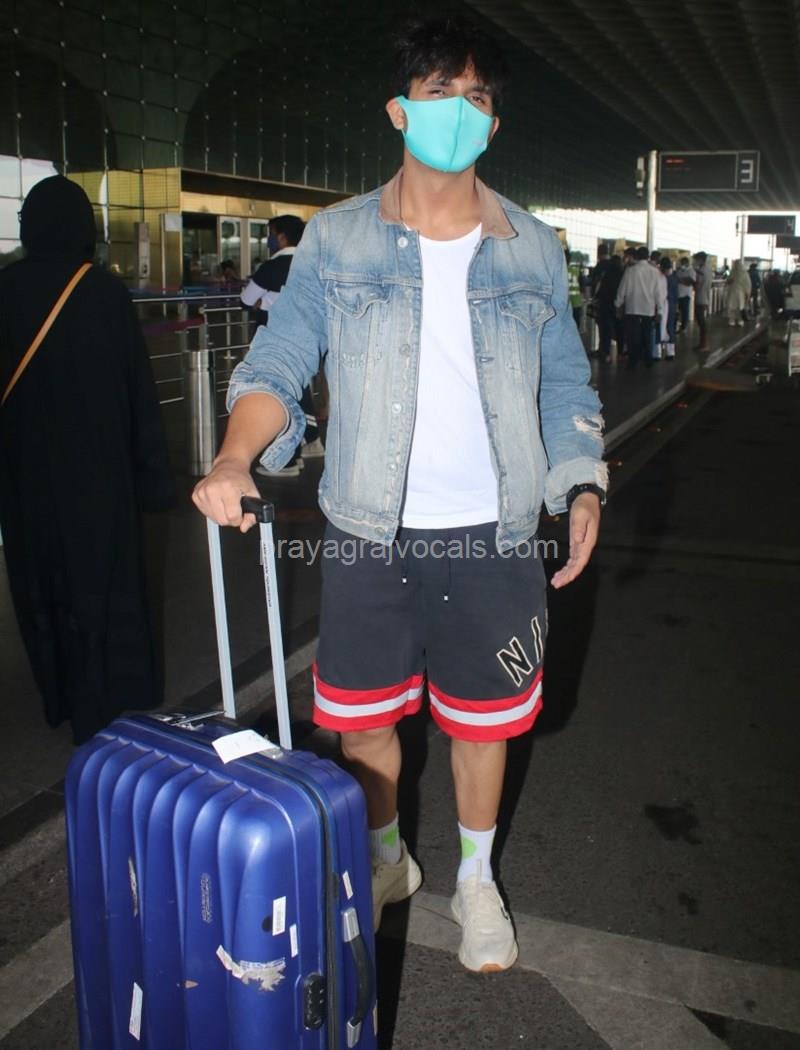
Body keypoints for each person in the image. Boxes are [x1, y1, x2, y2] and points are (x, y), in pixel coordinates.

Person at [193, 14, 606, 974]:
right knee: (364, 723)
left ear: (493, 123)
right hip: (369, 532)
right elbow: (279, 359)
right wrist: (233, 457)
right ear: (398, 111)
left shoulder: (534, 248)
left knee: (482, 723)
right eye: (438, 93)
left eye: (476, 98)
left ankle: (476, 879)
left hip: (496, 533)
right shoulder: (336, 240)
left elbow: (564, 386)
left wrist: (580, 484)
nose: (458, 112)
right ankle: (389, 858)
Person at [0, 176, 175, 744]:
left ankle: (60, 693)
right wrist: (153, 478)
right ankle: (104, 696)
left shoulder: (5, 289)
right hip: (99, 473)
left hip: (24, 476)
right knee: (102, 580)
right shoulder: (103, 293)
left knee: (40, 579)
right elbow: (137, 393)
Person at [240, 216, 324, 476]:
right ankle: (311, 440)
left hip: (275, 341)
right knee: (299, 390)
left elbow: (246, 300)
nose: (269, 239)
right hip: (310, 338)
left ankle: (288, 460)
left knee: (277, 394)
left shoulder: (272, 267)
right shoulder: (314, 263)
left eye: (271, 234)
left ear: (282, 237)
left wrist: (264, 301)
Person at [614, 245, 661, 368]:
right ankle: (648, 360)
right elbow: (658, 293)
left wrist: (618, 304)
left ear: (637, 256)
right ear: (648, 256)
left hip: (632, 308)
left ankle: (633, 361)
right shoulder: (655, 272)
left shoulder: (630, 271)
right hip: (648, 309)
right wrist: (660, 310)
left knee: (632, 337)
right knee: (647, 335)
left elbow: (622, 289)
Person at [691, 251, 712, 350]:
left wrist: (691, 282)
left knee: (701, 321)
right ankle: (703, 344)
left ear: (700, 259)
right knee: (702, 321)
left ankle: (704, 344)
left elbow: (698, 286)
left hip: (700, 298)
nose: (695, 261)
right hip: (705, 297)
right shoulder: (708, 269)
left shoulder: (701, 271)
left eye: (696, 259)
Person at [659, 256, 678, 358]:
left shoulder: (663, 278)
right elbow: (676, 294)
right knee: (670, 327)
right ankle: (670, 352)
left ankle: (660, 350)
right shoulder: (674, 278)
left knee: (662, 327)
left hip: (664, 305)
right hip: (672, 305)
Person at [724, 260, 751, 327]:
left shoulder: (732, 272)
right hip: (740, 294)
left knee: (732, 307)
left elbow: (727, 281)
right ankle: (739, 320)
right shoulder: (745, 273)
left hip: (733, 292)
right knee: (739, 307)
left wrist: (729, 281)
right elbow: (748, 284)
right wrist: (747, 293)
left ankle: (732, 320)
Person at [675, 256, 695, 331]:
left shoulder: (691, 271)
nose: (682, 265)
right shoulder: (679, 271)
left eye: (683, 263)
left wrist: (681, 280)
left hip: (686, 295)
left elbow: (690, 282)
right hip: (678, 294)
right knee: (679, 311)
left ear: (687, 263)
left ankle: (684, 326)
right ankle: (679, 324)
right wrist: (682, 280)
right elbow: (676, 279)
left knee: (685, 311)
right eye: (681, 263)